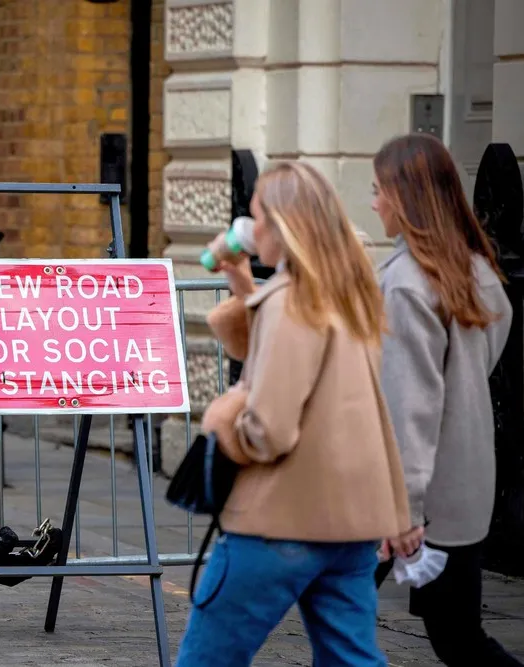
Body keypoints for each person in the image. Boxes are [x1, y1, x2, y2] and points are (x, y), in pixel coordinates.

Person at [176, 161, 411, 667]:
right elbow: (275, 346)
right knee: (351, 658)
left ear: (282, 224)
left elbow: (269, 431)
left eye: (257, 215)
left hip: (281, 519)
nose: (250, 226)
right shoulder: (349, 292)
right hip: (350, 524)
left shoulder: (291, 301)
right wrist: (240, 276)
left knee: (207, 657)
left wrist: (222, 418)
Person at [371, 133, 524, 666]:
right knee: (457, 636)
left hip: (405, 499)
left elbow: (409, 406)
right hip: (462, 485)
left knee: (334, 609)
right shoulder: (475, 269)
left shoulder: (407, 283)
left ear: (403, 196)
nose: (373, 203)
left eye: (378, 190)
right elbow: (488, 347)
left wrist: (403, 509)